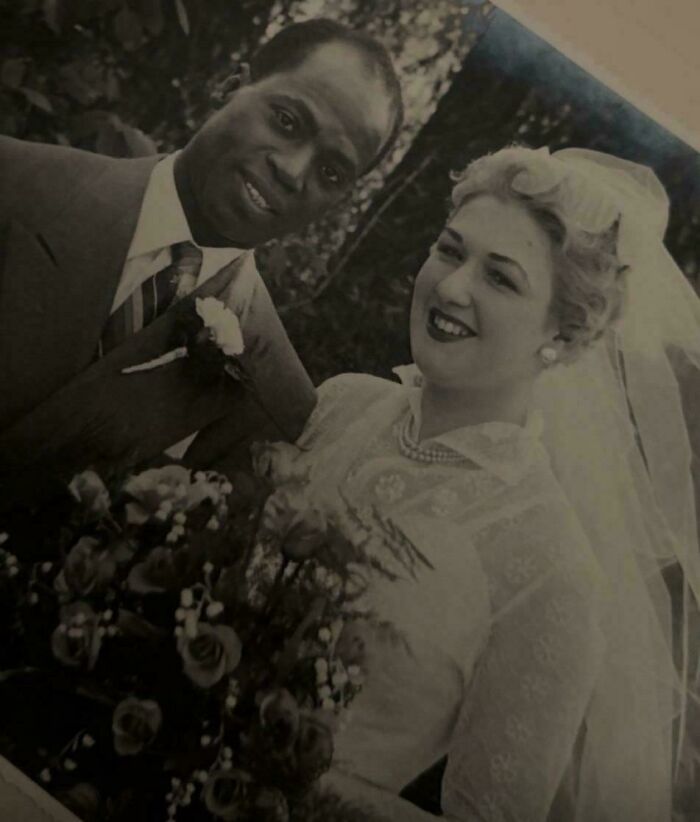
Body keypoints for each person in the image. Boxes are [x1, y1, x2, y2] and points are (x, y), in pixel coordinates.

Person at [280, 146, 700, 820]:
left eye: (500, 279)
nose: (452, 286)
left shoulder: (552, 570)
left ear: (563, 337)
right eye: (450, 251)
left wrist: (280, 776)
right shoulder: (340, 405)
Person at [0, 18, 402, 500]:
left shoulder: (275, 402)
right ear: (230, 86)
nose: (293, 172)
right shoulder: (16, 185)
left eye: (332, 171)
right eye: (288, 121)